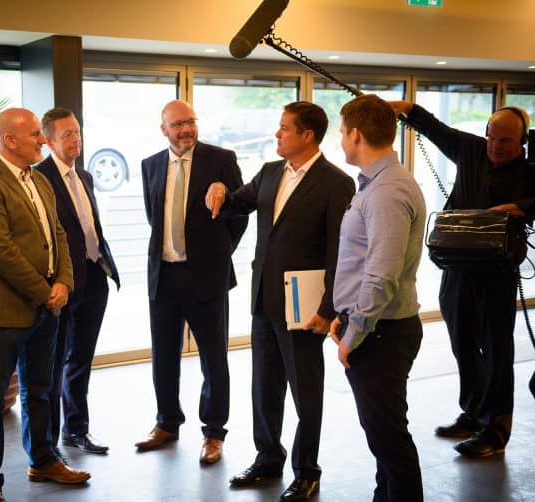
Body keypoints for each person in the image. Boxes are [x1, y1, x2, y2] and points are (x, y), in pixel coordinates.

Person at [206, 101, 354, 500]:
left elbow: (338, 251)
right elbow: (237, 202)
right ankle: (268, 458)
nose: (277, 134)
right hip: (263, 301)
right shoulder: (271, 172)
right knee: (264, 389)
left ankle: (307, 470)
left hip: (305, 307)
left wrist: (328, 309)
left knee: (307, 392)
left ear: (307, 136)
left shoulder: (336, 183)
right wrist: (221, 188)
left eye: (284, 128)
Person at [388, 100, 535, 457]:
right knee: (462, 344)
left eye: (505, 141)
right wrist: (397, 106)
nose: (496, 147)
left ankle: (496, 430)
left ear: (522, 142)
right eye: (492, 138)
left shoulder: (531, 171)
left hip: (497, 275)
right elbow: (433, 127)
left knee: (498, 351)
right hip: (457, 268)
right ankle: (472, 413)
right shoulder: (469, 149)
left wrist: (522, 207)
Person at [0, 107, 90, 502]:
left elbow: (59, 234)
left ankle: (44, 460)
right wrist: (44, 290)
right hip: (5, 310)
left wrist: (64, 280)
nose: (43, 139)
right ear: (9, 141)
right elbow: (0, 251)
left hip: (46, 306)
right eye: (36, 134)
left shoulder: (39, 180)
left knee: (41, 390)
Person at [135, 99, 248, 464]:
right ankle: (166, 422)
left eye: (191, 122)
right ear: (163, 129)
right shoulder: (150, 165)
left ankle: (214, 433)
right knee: (163, 356)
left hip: (207, 277)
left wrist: (221, 250)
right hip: (163, 277)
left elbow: (239, 212)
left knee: (213, 359)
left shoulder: (221, 160)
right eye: (177, 124)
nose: (186, 129)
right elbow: (154, 217)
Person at [330, 94, 426, 501]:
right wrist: (344, 315)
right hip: (376, 330)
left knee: (390, 443)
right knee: (383, 443)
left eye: (340, 133)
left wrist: (355, 332)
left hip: (381, 335)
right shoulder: (376, 183)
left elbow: (381, 275)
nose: (340, 141)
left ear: (355, 134)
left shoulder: (387, 191)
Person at [35, 107, 119, 455]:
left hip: (95, 277)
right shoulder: (39, 178)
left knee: (81, 359)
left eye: (78, 132)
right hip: (63, 285)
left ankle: (77, 430)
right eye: (67, 134)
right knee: (54, 366)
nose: (75, 139)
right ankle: (49, 444)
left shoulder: (84, 176)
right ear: (49, 140)